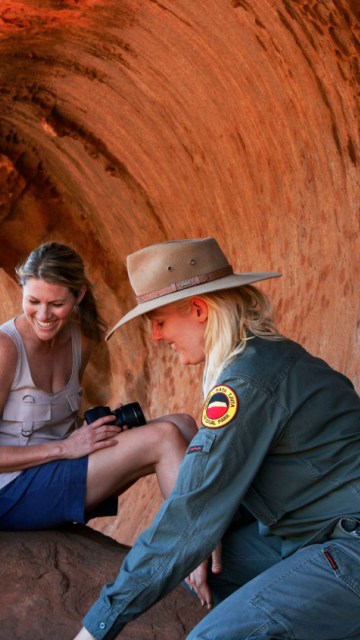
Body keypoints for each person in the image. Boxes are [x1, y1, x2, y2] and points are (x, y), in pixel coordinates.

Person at [76, 237, 360, 640]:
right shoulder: (261, 358)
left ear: (198, 310)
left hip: (348, 544)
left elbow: (189, 514)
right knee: (199, 573)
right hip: (311, 533)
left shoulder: (246, 384)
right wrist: (203, 537)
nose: (156, 337)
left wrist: (96, 627)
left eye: (159, 322)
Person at [0, 241, 197, 531]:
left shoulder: (82, 340)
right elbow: (62, 445)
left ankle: (221, 533)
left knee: (183, 425)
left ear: (79, 295)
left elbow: (62, 425)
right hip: (11, 489)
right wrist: (65, 448)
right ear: (22, 291)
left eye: (56, 304)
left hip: (57, 469)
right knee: (164, 437)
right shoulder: (6, 347)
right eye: (33, 301)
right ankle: (195, 548)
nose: (43, 316)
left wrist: (100, 427)